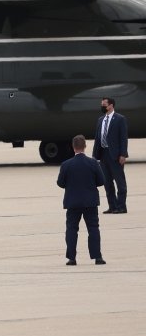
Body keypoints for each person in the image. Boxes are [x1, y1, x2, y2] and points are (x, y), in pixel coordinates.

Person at [58, 135, 107, 266]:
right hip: (90, 201)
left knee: (72, 229)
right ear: (85, 146)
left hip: (72, 202)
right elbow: (101, 181)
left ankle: (72, 258)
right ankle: (97, 257)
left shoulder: (66, 165)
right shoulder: (93, 163)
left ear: (73, 147)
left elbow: (60, 183)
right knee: (93, 228)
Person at [93, 97, 128, 214]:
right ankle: (112, 206)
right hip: (103, 154)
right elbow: (97, 138)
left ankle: (121, 206)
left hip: (115, 155)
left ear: (111, 105)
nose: (102, 107)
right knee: (107, 182)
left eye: (104, 105)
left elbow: (123, 138)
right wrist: (95, 156)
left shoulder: (120, 119)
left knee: (120, 182)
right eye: (101, 104)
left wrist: (123, 154)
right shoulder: (100, 120)